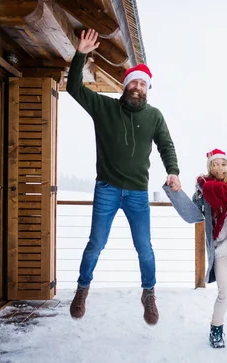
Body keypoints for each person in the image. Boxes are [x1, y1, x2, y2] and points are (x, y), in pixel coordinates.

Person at [66, 28, 182, 325]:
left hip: (137, 193)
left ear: (147, 89)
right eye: (134, 82)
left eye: (143, 84)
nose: (138, 87)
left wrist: (173, 171)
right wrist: (81, 55)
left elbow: (166, 145)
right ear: (126, 86)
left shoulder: (154, 116)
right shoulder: (105, 108)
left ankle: (148, 294)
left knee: (145, 247)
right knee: (96, 243)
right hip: (106, 188)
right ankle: (82, 289)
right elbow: (75, 89)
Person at [163, 120, 227, 348]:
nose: (220, 167)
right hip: (220, 252)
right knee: (225, 293)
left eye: (223, 163)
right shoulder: (205, 191)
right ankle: (215, 330)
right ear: (210, 168)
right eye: (215, 164)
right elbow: (191, 215)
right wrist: (175, 191)